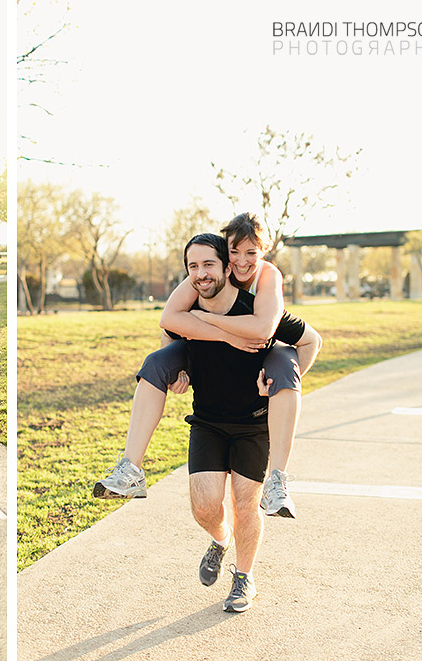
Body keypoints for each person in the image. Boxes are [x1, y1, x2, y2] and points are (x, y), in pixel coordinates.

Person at [133, 234, 321, 611]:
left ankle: (244, 578)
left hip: (253, 424)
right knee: (204, 506)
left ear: (224, 268)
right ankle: (220, 540)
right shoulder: (186, 314)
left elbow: (311, 341)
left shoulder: (259, 312)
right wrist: (181, 371)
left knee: (245, 503)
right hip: (207, 421)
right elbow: (171, 336)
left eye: (209, 265)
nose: (201, 274)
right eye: (193, 267)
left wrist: (284, 379)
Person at [95, 213, 314, 519]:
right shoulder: (204, 274)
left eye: (251, 253)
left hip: (263, 348)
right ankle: (131, 468)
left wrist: (276, 390)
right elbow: (169, 321)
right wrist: (181, 367)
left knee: (284, 362)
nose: (241, 261)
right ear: (225, 253)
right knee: (156, 363)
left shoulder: (267, 277)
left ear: (262, 252)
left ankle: (277, 480)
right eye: (234, 251)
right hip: (209, 383)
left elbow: (269, 330)